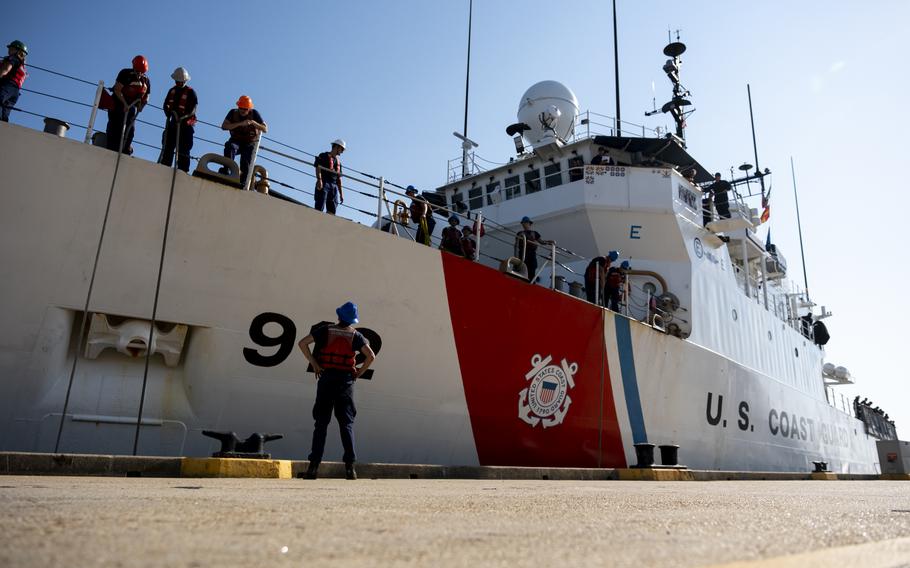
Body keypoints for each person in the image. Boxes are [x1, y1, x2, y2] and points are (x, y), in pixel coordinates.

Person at [297, 302, 375, 481]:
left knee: (321, 424)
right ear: (352, 320)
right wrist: (360, 372)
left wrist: (315, 364)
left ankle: (313, 468)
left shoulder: (325, 330)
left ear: (339, 316)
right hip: (345, 382)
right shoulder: (356, 335)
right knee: (346, 424)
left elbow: (302, 343)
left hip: (327, 379)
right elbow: (371, 356)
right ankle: (350, 469)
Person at [106, 55, 151, 154]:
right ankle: (112, 150)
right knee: (116, 127)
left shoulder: (146, 80)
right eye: (138, 71)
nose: (139, 74)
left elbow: (147, 96)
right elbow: (117, 90)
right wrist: (124, 104)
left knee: (130, 130)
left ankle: (125, 149)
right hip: (118, 104)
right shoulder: (125, 73)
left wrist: (141, 106)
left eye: (141, 72)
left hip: (131, 108)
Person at [221, 96, 267, 187]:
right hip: (236, 141)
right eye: (241, 108)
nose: (242, 110)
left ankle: (242, 183)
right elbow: (224, 126)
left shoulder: (254, 114)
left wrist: (253, 122)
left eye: (245, 109)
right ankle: (227, 172)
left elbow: (265, 129)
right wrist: (240, 124)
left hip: (249, 144)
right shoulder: (232, 112)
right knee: (230, 146)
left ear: (249, 108)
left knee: (246, 163)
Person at [158, 67, 197, 172]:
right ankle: (165, 166)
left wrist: (184, 117)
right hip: (174, 124)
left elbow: (194, 109)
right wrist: (168, 112)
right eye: (177, 81)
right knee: (168, 145)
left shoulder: (191, 92)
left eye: (180, 81)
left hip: (187, 125)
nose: (178, 83)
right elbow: (166, 104)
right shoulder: (172, 91)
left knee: (184, 149)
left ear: (185, 81)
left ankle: (183, 170)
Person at [516, 216, 553, 283]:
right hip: (522, 255)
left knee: (532, 270)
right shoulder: (519, 234)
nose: (524, 224)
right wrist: (515, 258)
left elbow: (542, 242)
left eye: (526, 223)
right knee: (523, 270)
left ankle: (531, 283)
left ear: (529, 223)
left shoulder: (535, 233)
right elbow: (516, 246)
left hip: (532, 255)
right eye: (523, 223)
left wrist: (549, 242)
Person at [314, 140, 346, 214]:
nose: (342, 152)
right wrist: (319, 180)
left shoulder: (338, 163)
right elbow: (318, 168)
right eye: (342, 149)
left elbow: (339, 179)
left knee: (332, 208)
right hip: (324, 182)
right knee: (320, 204)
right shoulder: (323, 155)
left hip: (334, 186)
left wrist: (341, 194)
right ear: (337, 147)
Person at [0, 40, 28, 122]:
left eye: (12, 48)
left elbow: (5, 69)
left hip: (7, 86)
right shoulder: (22, 66)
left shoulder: (13, 58)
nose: (9, 50)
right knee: (4, 113)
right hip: (15, 92)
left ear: (18, 51)